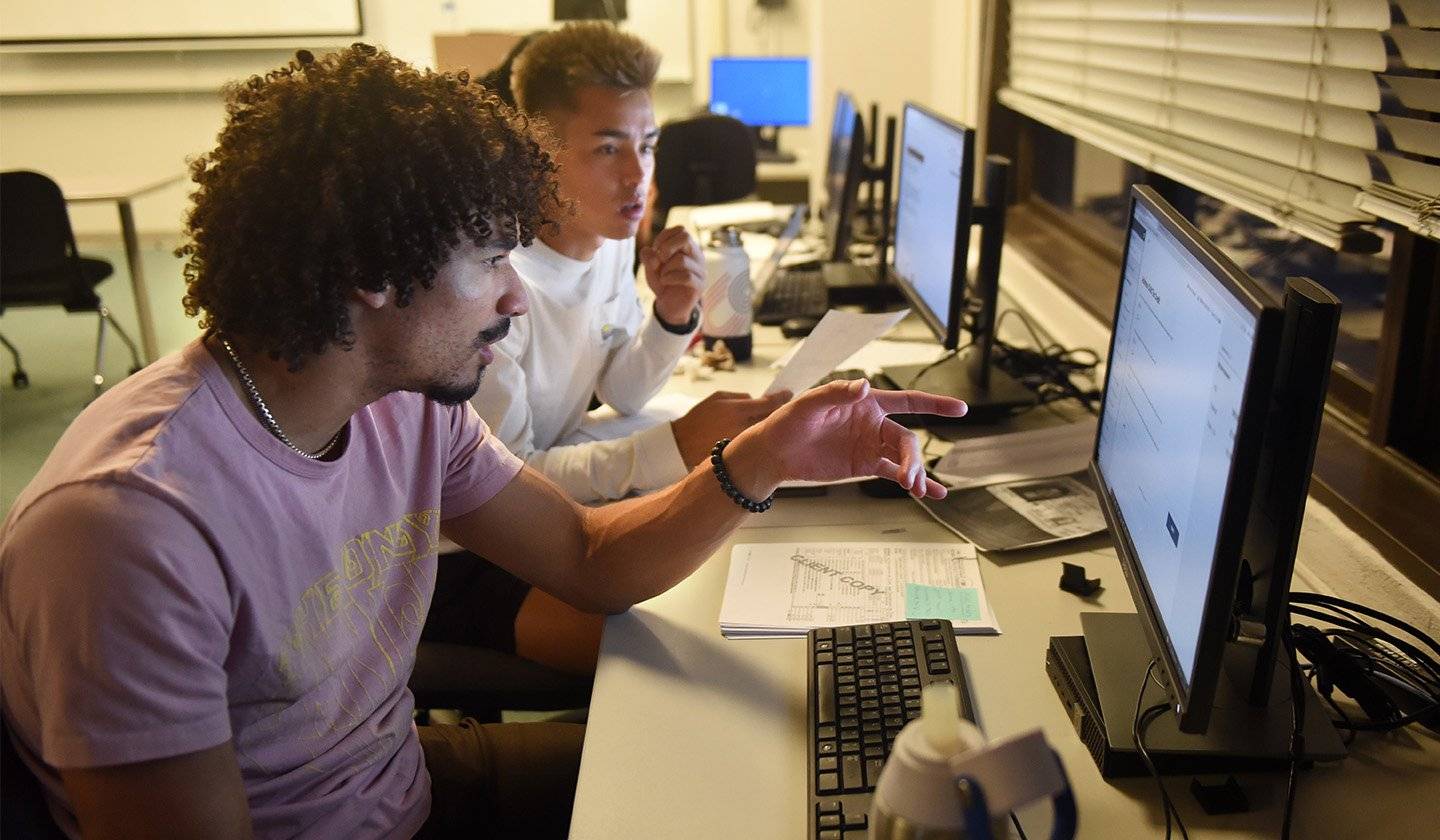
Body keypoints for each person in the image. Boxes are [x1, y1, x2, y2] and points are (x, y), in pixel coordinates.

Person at [0, 44, 965, 840]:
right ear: (373, 271)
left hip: (408, 782)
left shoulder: (406, 401)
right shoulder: (131, 527)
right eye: (489, 257)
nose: (514, 293)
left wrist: (763, 457)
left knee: (759, 782)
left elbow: (589, 557)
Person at [423, 23, 784, 678]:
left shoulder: (611, 239)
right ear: (538, 150)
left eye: (647, 144)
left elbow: (623, 392)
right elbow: (510, 483)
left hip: (552, 507)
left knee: (725, 554)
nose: (638, 174)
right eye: (608, 148)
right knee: (674, 644)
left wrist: (673, 317)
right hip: (465, 552)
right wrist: (671, 447)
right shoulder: (496, 287)